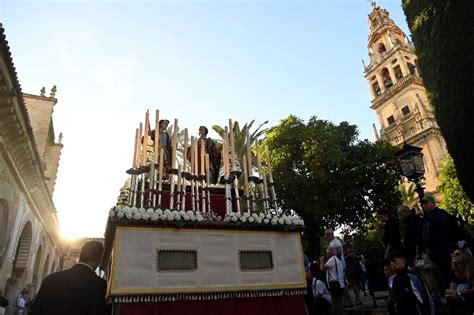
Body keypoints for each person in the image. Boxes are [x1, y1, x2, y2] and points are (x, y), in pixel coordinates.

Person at [30, 241, 107, 315]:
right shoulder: (98, 284)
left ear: (81, 255)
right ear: (100, 259)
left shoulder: (51, 279)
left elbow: (36, 310)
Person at [421, 195, 459, 289]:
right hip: (434, 252)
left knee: (449, 272)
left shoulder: (440, 213)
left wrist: (425, 217)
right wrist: (427, 246)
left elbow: (439, 223)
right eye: (423, 203)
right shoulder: (428, 216)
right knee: (441, 273)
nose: (424, 205)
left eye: (426, 203)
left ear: (433, 203)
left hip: (444, 250)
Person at [388, 249, 434, 315]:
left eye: (394, 260)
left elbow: (427, 300)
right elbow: (393, 301)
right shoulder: (391, 280)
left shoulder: (415, 278)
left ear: (403, 260)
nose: (392, 263)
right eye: (391, 261)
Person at [445, 249, 474, 313]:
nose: (454, 256)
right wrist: (450, 293)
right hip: (462, 293)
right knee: (450, 300)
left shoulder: (472, 269)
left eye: (457, 254)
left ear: (464, 256)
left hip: (470, 293)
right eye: (453, 254)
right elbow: (452, 288)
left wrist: (459, 293)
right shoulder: (453, 271)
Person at [320, 247, 345, 313]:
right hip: (339, 283)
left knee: (335, 302)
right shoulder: (337, 259)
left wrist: (321, 261)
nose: (326, 254)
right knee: (339, 301)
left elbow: (322, 268)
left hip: (335, 284)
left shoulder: (332, 259)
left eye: (327, 253)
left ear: (330, 252)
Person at [343, 234, 363, 306]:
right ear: (344, 240)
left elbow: (359, 256)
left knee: (358, 283)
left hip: (356, 266)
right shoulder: (343, 248)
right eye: (347, 239)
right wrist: (349, 256)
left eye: (349, 239)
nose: (348, 240)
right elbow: (343, 258)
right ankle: (357, 298)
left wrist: (355, 256)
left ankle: (358, 299)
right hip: (349, 267)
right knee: (352, 283)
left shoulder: (354, 247)